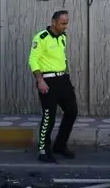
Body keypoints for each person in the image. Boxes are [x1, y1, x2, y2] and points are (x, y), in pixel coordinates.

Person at [29, 10, 78, 164]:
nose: (65, 26)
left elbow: (61, 58)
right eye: (63, 23)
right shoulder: (41, 37)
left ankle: (60, 146)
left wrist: (67, 79)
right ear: (54, 22)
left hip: (63, 79)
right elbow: (33, 60)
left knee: (71, 112)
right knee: (49, 116)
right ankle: (43, 150)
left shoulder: (63, 37)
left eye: (67, 23)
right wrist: (39, 80)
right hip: (47, 81)